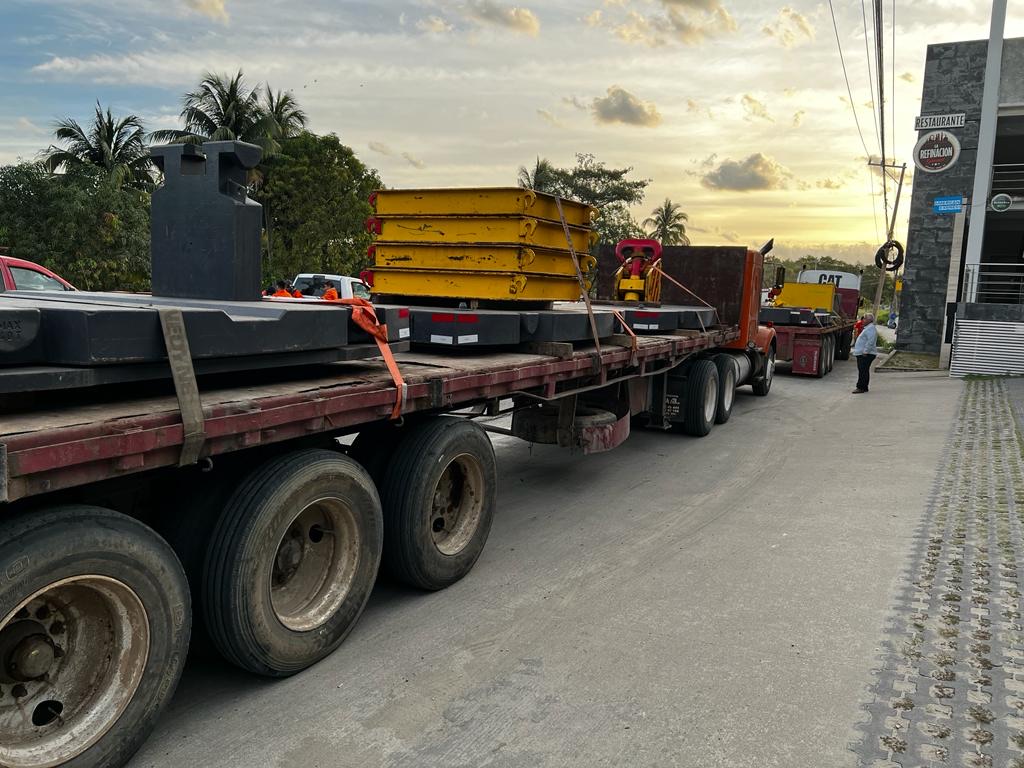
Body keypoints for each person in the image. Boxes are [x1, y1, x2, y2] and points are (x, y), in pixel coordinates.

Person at [852, 312, 877, 394]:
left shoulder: (870, 329)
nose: (863, 320)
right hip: (863, 353)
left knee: (863, 371)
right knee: (864, 370)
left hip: (866, 354)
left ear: (869, 320)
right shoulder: (868, 328)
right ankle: (864, 387)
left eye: (865, 318)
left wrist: (865, 351)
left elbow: (870, 341)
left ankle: (860, 387)